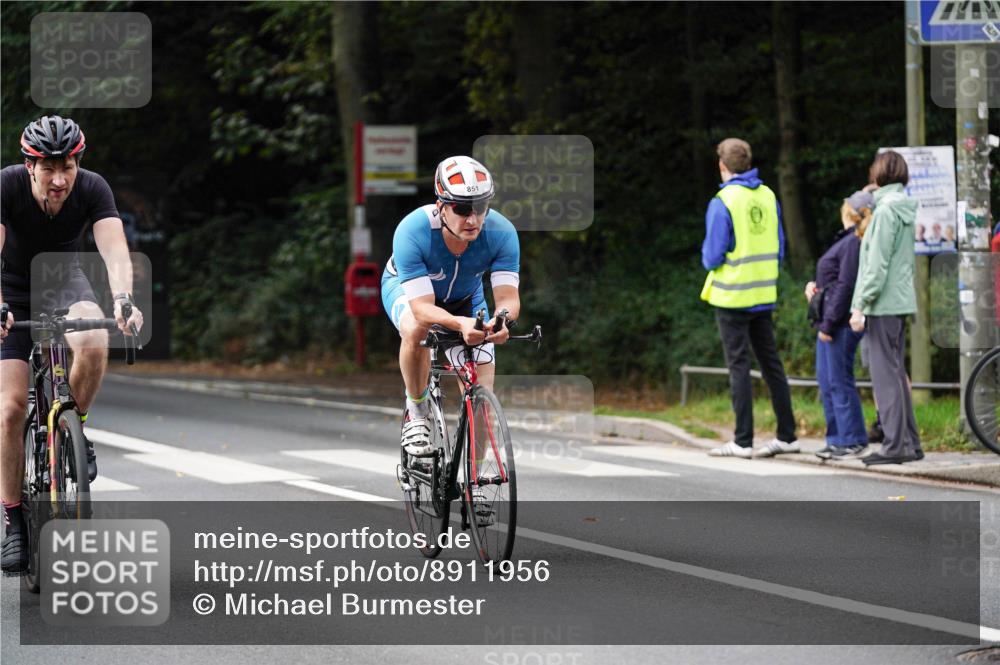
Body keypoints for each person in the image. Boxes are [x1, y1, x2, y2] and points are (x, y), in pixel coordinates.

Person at [1, 115, 144, 573]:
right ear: (30, 166)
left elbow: (113, 246)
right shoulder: (5, 186)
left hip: (64, 282)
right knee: (8, 409)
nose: (60, 179)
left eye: (69, 167)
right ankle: (14, 522)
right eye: (50, 169)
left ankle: (73, 426)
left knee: (96, 338)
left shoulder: (92, 187)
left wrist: (123, 299)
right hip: (10, 290)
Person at [381, 155, 519, 458]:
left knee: (483, 406)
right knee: (417, 328)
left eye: (481, 208)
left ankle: (475, 486)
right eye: (461, 209)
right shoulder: (412, 230)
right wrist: (460, 325)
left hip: (466, 301)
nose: (472, 219)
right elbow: (422, 309)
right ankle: (417, 410)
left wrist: (501, 321)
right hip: (409, 294)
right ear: (441, 206)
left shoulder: (502, 233)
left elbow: (508, 297)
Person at [700, 138, 797, 459]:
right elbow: (780, 247)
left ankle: (743, 441)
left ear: (722, 165)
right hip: (764, 294)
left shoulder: (723, 200)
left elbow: (712, 256)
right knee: (772, 365)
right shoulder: (768, 195)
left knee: (738, 367)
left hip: (732, 297)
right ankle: (787, 435)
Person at [849, 151, 923, 465]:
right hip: (901, 300)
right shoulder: (903, 207)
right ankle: (910, 443)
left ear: (879, 175)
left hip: (882, 303)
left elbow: (876, 266)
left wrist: (860, 306)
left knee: (885, 377)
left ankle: (895, 446)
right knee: (895, 373)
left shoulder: (884, 212)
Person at [806, 190, 871, 459]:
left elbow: (846, 286)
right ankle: (837, 438)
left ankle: (851, 439)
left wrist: (829, 324)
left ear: (850, 212)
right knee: (827, 380)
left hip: (838, 324)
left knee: (838, 381)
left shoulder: (853, 243)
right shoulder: (846, 240)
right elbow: (836, 283)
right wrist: (816, 289)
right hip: (830, 320)